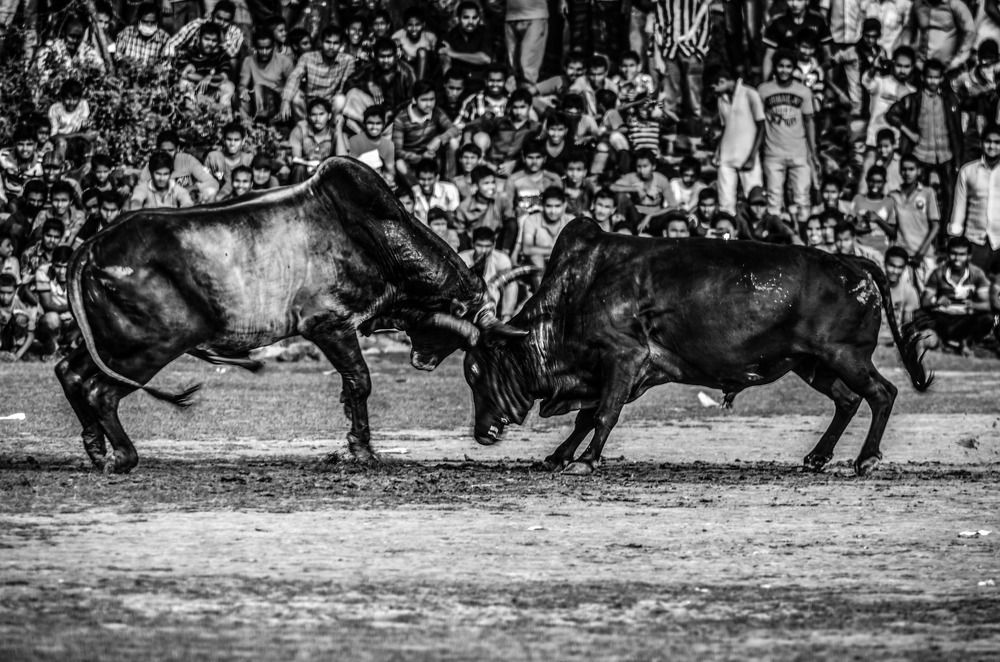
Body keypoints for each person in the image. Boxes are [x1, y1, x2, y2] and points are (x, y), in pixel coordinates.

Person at [759, 48, 820, 228]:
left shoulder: (803, 92)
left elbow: (809, 122)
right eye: (780, 66)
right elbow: (759, 122)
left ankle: (804, 236)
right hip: (773, 153)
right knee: (774, 199)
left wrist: (813, 151)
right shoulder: (764, 90)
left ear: (794, 69)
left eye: (788, 66)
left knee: (802, 197)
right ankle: (776, 239)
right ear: (775, 68)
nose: (784, 70)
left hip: (799, 152)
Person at [915, 236, 995, 354]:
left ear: (969, 256)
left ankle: (966, 342)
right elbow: (924, 301)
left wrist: (973, 305)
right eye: (953, 253)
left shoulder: (977, 274)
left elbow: (988, 305)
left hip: (965, 319)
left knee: (987, 319)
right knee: (919, 314)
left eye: (962, 254)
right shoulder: (938, 273)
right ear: (948, 254)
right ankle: (941, 340)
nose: (957, 258)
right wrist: (936, 301)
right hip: (942, 317)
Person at [709, 65, 765, 215]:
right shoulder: (721, 100)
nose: (713, 89)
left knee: (755, 199)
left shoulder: (750, 94)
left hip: (748, 155)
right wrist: (717, 152)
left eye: (714, 85)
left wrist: (752, 156)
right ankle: (729, 236)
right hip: (726, 157)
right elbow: (724, 129)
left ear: (722, 81)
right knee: (726, 204)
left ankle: (753, 235)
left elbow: (761, 126)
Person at [948, 124, 1000, 274]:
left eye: (997, 143)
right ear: (981, 143)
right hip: (975, 241)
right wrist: (955, 240)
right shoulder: (968, 171)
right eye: (988, 141)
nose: (992, 146)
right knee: (975, 288)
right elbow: (959, 208)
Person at [280, 25, 355, 122]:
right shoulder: (308, 57)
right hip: (309, 99)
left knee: (340, 100)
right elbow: (295, 77)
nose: (331, 47)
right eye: (328, 42)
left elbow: (344, 84)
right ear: (321, 42)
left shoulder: (347, 60)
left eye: (335, 43)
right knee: (296, 96)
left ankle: (330, 129)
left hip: (329, 101)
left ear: (341, 45)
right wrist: (286, 100)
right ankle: (304, 127)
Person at [392, 81, 461, 185]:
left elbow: (454, 129)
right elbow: (397, 151)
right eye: (424, 100)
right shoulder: (401, 119)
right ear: (414, 100)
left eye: (432, 99)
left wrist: (439, 139)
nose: (429, 104)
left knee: (453, 142)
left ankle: (448, 181)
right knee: (399, 164)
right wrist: (420, 157)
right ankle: (416, 189)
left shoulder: (436, 112)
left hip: (432, 156)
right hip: (412, 160)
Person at [889, 153, 940, 280]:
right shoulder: (893, 195)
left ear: (918, 171)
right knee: (902, 295)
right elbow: (892, 228)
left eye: (911, 169)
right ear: (900, 171)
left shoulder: (927, 193)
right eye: (904, 169)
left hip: (924, 253)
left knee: (927, 294)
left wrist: (921, 252)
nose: (907, 173)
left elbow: (935, 225)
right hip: (901, 254)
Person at [459, 227, 519, 321]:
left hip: (493, 298)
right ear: (472, 244)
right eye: (479, 245)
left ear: (494, 245)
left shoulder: (501, 259)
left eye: (487, 246)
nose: (483, 250)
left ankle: (506, 320)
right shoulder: (462, 258)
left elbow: (504, 284)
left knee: (512, 284)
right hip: (469, 300)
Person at [517, 186, 573, 283]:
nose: (553, 211)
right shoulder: (532, 220)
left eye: (557, 206)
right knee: (536, 257)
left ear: (564, 205)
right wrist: (556, 250)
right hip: (538, 265)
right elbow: (527, 249)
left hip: (564, 262)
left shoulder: (571, 220)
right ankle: (540, 294)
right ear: (542, 205)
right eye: (549, 206)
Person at [239, 28, 294, 123]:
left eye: (268, 48)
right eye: (260, 48)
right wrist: (243, 91)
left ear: (274, 46)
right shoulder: (248, 61)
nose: (264, 52)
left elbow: (292, 84)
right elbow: (242, 84)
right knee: (240, 96)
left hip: (278, 100)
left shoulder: (284, 61)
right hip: (256, 100)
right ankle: (249, 126)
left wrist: (285, 101)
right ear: (255, 47)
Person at [336, 103, 394, 186]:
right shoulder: (356, 141)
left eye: (378, 123)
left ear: (383, 124)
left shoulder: (386, 143)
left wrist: (388, 179)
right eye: (370, 123)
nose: (374, 127)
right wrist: (339, 128)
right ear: (364, 124)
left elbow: (390, 172)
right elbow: (343, 162)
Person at [438, 0, 493, 85]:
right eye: (466, 17)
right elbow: (445, 60)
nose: (471, 22)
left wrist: (453, 54)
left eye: (474, 18)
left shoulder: (484, 32)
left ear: (479, 18)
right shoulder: (449, 36)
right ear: (458, 18)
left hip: (481, 81)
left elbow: (485, 59)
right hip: (458, 83)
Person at [34, 245, 74, 359]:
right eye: (58, 266)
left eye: (66, 267)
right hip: (51, 320)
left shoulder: (78, 273)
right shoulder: (43, 271)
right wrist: (73, 306)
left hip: (72, 321)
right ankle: (52, 348)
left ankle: (69, 348)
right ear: (52, 264)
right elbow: (47, 304)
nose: (62, 272)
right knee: (52, 319)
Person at [851, 165, 897, 253]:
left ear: (884, 182)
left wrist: (878, 219)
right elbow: (849, 224)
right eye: (872, 181)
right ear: (866, 180)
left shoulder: (889, 202)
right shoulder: (858, 199)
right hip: (859, 250)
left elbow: (893, 232)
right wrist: (856, 228)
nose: (875, 185)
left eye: (879, 182)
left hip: (881, 251)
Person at [881, 245, 922, 345]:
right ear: (884, 263)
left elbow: (907, 322)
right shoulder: (871, 286)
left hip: (894, 337)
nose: (895, 271)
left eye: (900, 267)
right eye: (892, 266)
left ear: (904, 268)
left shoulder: (909, 291)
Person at [129, 150, 195, 209]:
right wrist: (136, 206)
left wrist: (186, 206)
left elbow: (187, 203)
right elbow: (136, 200)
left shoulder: (178, 189)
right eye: (158, 174)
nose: (162, 178)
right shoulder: (142, 188)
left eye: (165, 174)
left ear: (170, 174)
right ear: (151, 173)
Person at [288, 97, 334, 182]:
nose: (317, 119)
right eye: (313, 115)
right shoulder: (300, 129)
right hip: (304, 173)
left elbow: (342, 158)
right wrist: (311, 164)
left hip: (325, 174)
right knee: (299, 168)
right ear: (309, 116)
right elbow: (296, 159)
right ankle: (298, 195)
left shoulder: (334, 133)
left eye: (321, 114)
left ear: (329, 116)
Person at [204, 122, 254, 192]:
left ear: (243, 141)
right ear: (224, 140)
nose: (232, 144)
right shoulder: (213, 157)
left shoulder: (249, 159)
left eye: (236, 140)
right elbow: (204, 180)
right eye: (229, 139)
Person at [392, 6, 437, 81]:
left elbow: (435, 59)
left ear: (423, 25)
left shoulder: (430, 37)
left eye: (417, 25)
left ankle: (420, 84)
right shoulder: (398, 36)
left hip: (425, 68)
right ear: (405, 26)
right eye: (410, 25)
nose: (414, 29)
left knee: (422, 52)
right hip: (406, 67)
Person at [0, 273, 37, 362]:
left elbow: (31, 335)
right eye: (1, 293)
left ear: (15, 290)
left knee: (21, 317)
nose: (5, 297)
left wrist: (17, 356)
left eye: (9, 293)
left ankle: (13, 352)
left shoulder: (20, 305)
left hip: (10, 341)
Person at [411, 158, 460, 224]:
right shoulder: (412, 192)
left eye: (430, 179)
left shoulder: (449, 189)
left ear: (437, 177)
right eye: (422, 179)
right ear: (416, 178)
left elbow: (454, 214)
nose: (426, 183)